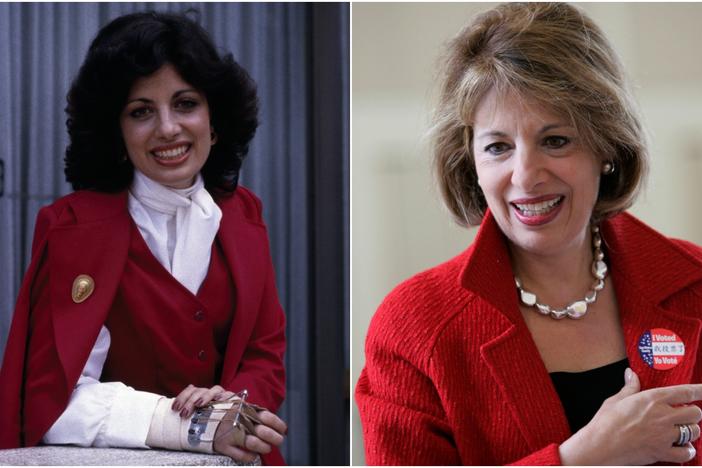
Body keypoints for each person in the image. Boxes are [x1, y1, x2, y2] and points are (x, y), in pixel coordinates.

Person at [356, 2, 702, 465]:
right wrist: (581, 459)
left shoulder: (695, 284)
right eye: (498, 147)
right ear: (471, 165)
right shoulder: (414, 328)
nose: (525, 175)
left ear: (606, 146)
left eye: (555, 140)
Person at [0, 11, 287, 465]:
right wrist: (185, 425)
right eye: (141, 112)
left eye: (185, 103)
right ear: (118, 130)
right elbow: (51, 401)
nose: (168, 128)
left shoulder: (244, 213)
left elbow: (263, 351)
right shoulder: (70, 227)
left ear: (214, 120)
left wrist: (236, 406)